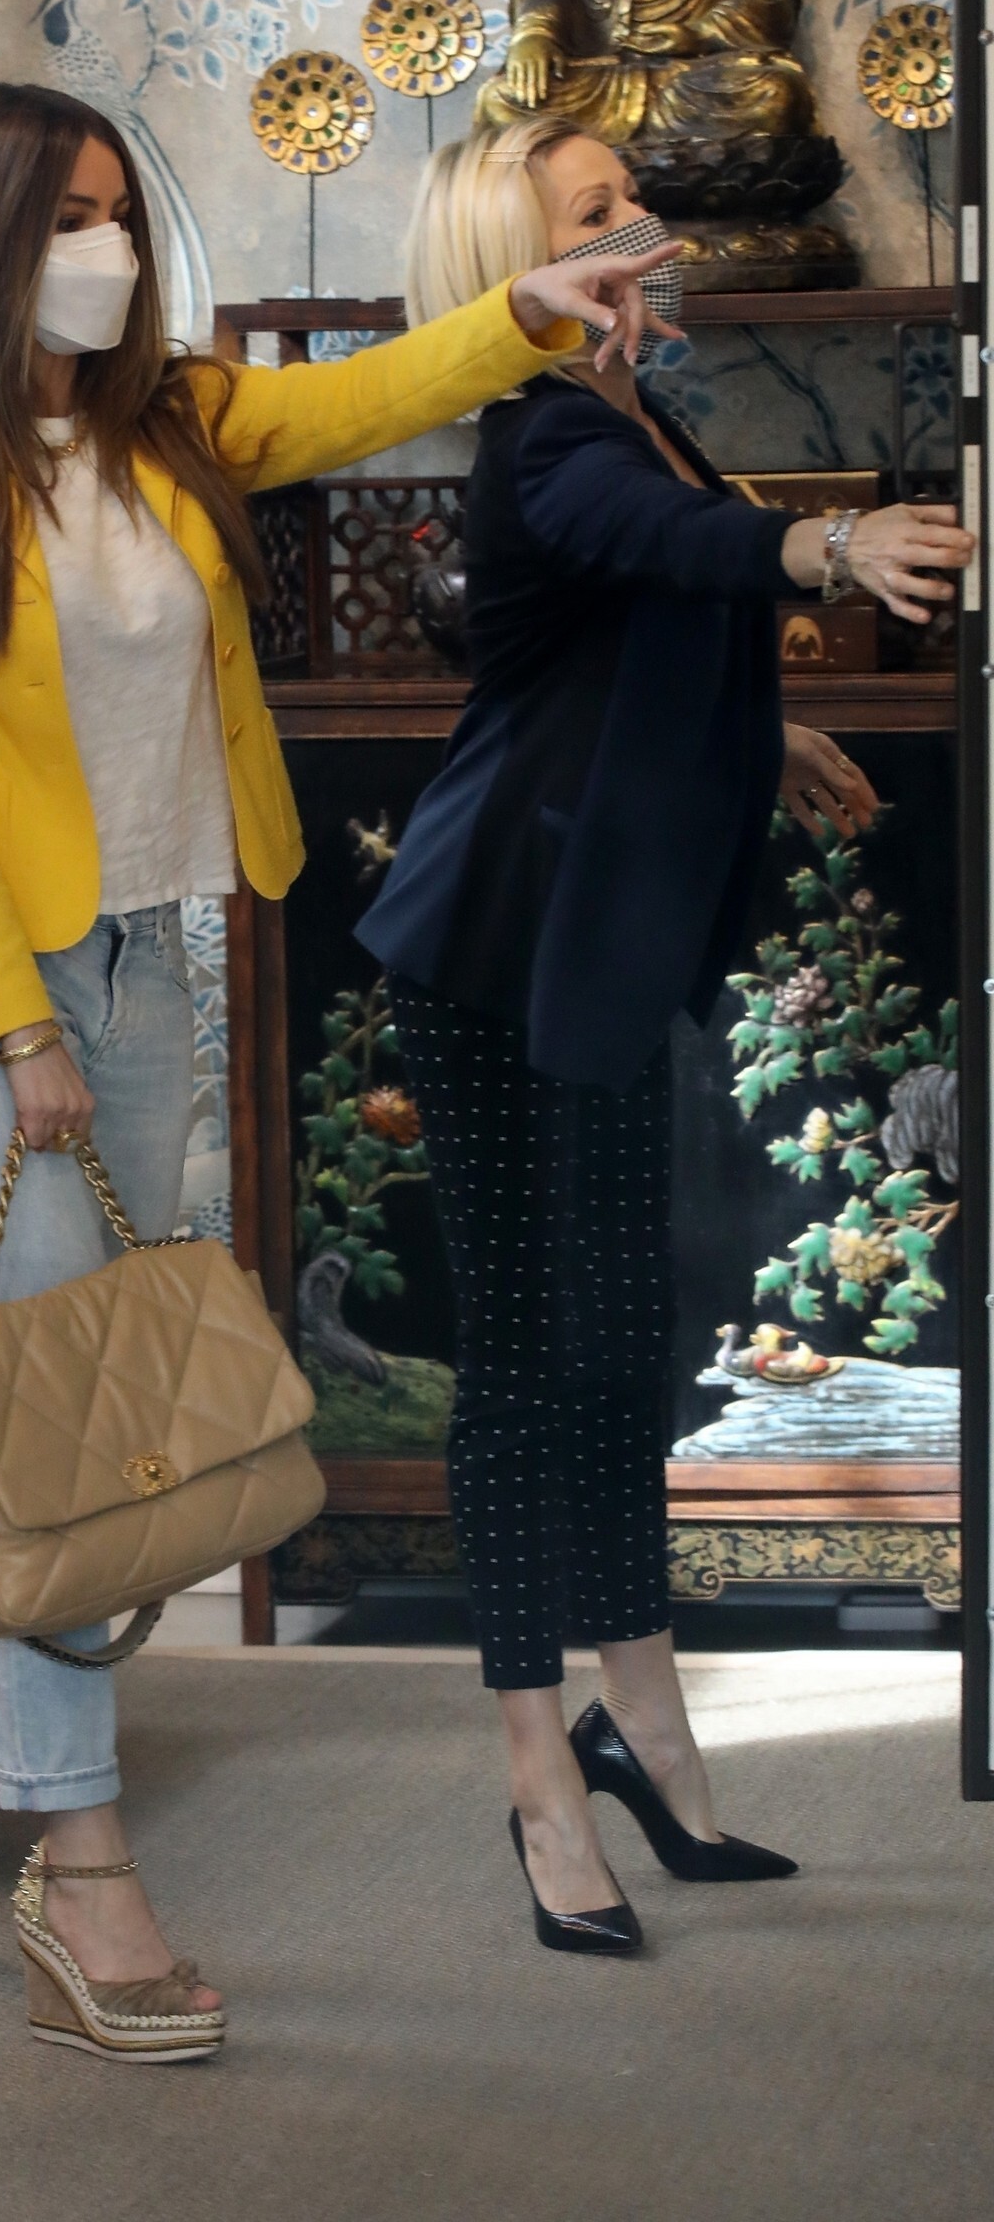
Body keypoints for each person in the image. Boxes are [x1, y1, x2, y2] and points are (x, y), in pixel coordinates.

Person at [0, 80, 680, 2056]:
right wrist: (13, 1024)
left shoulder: (161, 413)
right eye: (62, 219)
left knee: (38, 1395)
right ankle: (80, 1877)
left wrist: (528, 311)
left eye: (115, 213)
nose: (101, 248)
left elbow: (347, 402)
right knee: (73, 1423)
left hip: (145, 951)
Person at [358, 115, 976, 1955]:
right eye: (597, 214)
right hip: (493, 947)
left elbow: (626, 636)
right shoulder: (549, 430)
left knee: (626, 1350)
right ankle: (538, 1775)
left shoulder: (639, 414)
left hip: (600, 946)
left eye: (636, 203)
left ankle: (648, 1724)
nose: (645, 234)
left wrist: (769, 739)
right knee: (525, 1370)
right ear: (519, 269)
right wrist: (835, 542)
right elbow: (669, 548)